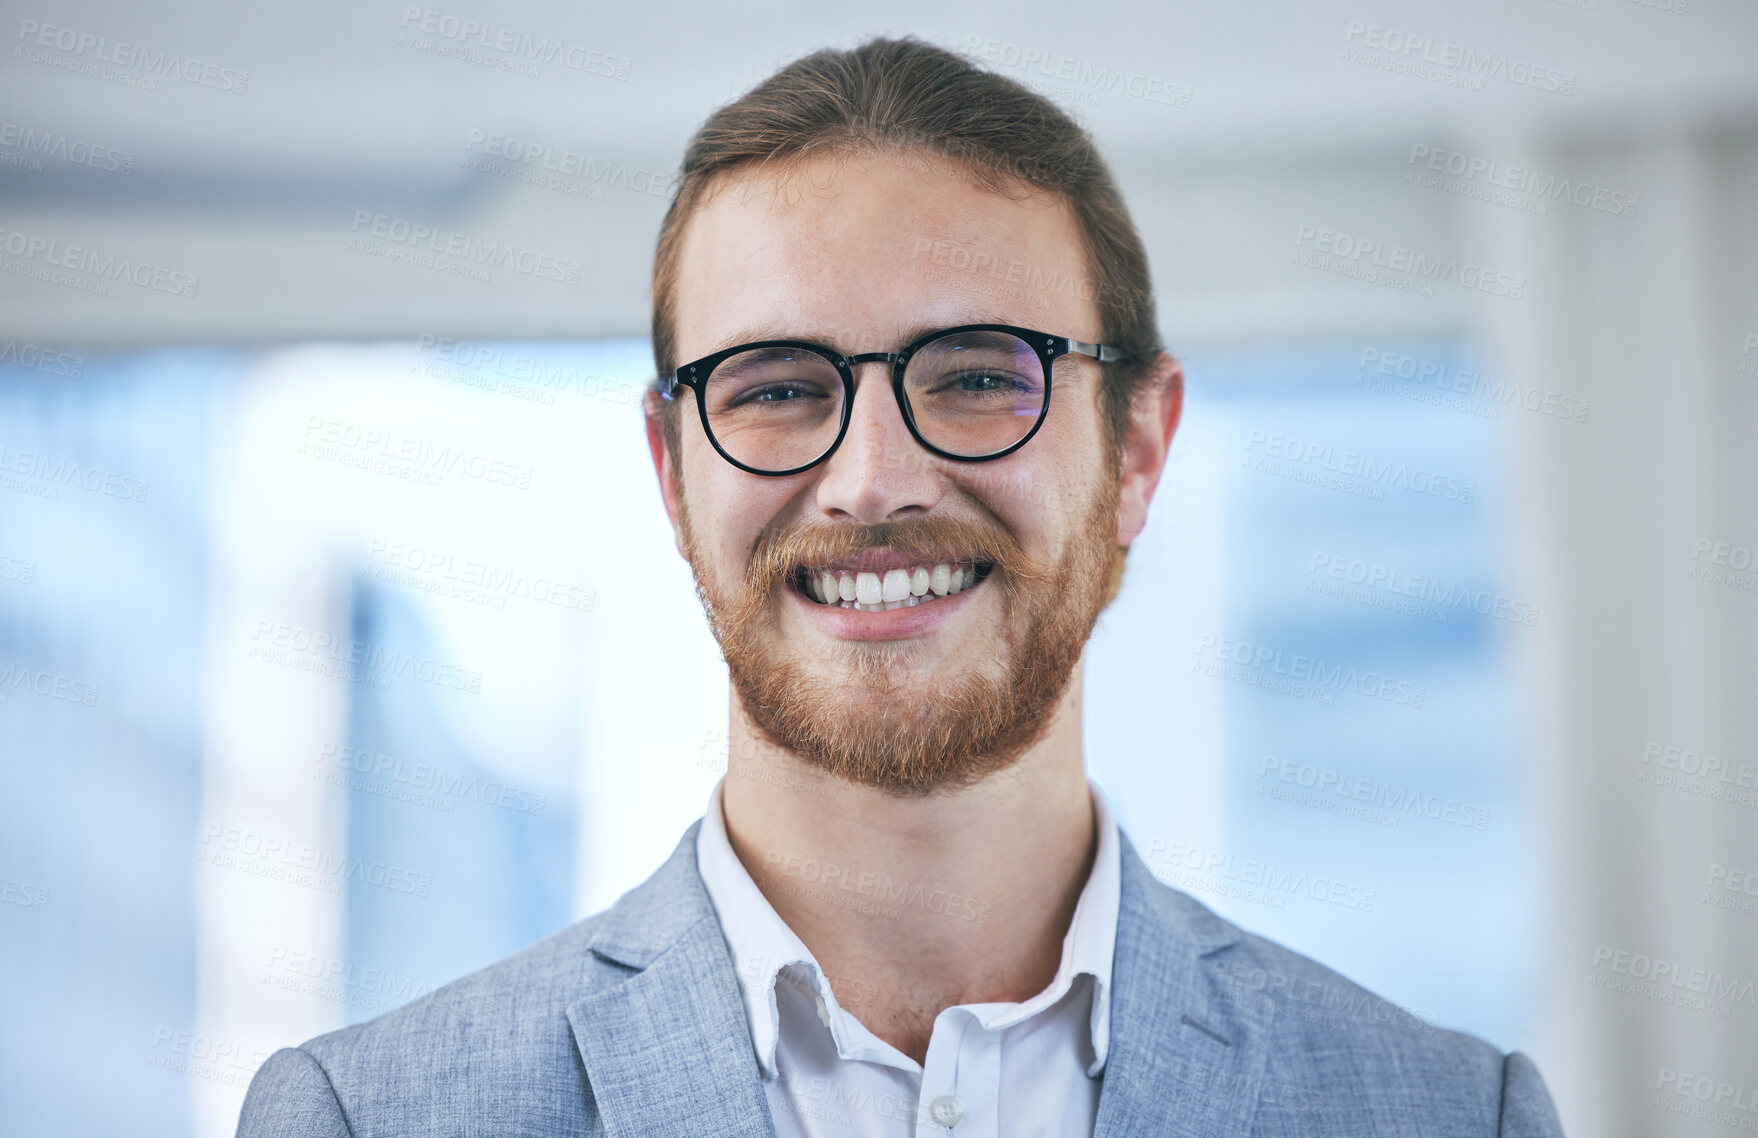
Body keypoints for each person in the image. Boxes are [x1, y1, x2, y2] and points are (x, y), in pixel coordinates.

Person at [239, 36, 1565, 1137]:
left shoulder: (1450, 1113)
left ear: (1137, 452)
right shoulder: (371, 1116)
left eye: (979, 374)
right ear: (669, 469)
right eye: (774, 388)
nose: (871, 479)